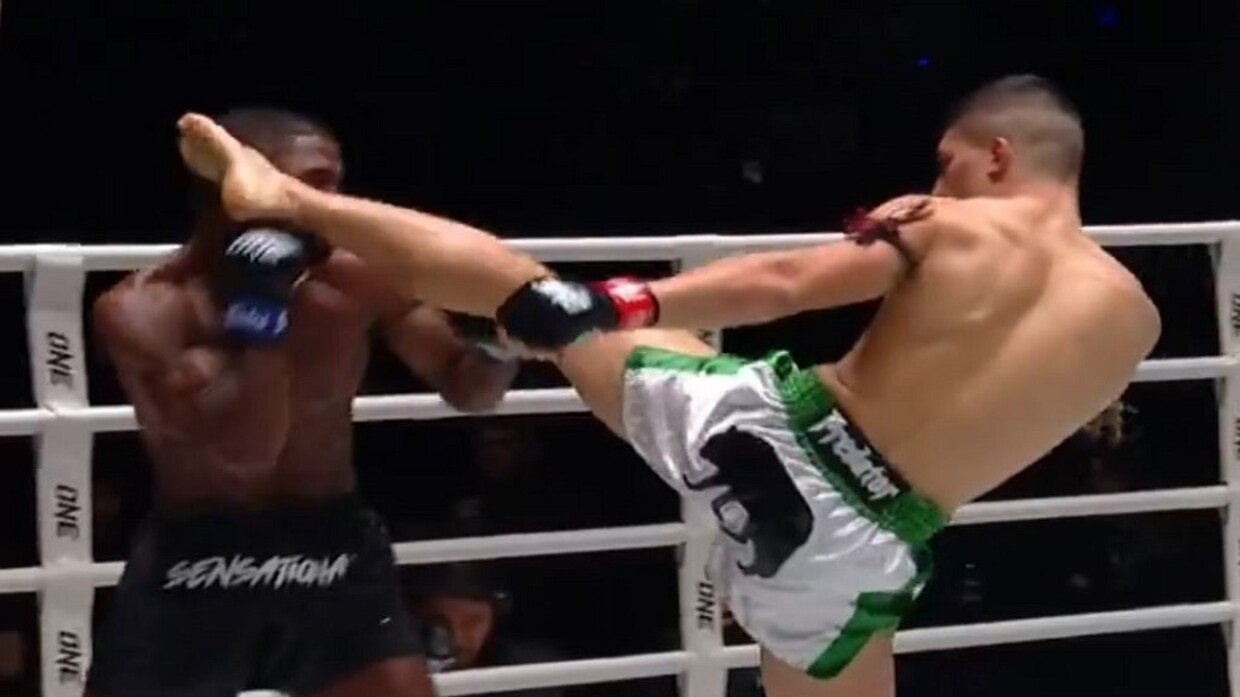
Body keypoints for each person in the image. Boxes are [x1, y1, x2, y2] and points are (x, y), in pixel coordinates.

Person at [175, 75, 1161, 696]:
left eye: (950, 166)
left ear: (997, 155)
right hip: (865, 543)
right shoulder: (1133, 321)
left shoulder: (948, 221)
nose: (940, 183)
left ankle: (286, 196)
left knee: (526, 287)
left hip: (771, 434)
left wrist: (621, 302)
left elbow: (788, 281)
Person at [90, 107, 519, 697]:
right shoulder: (145, 309)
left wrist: (506, 338)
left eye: (334, 186)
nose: (331, 205)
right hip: (199, 559)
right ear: (237, 182)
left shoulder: (355, 279)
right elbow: (242, 457)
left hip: (332, 543)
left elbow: (466, 387)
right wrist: (261, 312)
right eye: (312, 185)